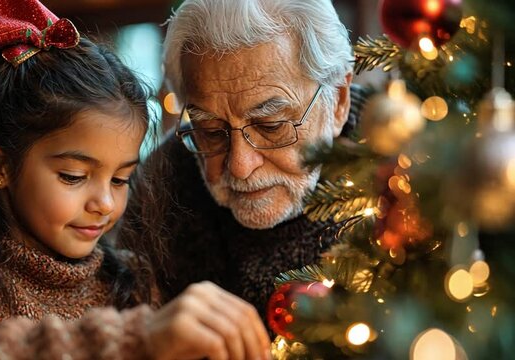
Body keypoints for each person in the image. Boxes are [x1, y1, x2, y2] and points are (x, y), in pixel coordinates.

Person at [0, 0, 271, 359]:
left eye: (121, 180)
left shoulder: (127, 280)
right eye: (74, 176)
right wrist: (132, 341)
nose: (105, 203)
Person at [118, 0, 368, 323]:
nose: (239, 165)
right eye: (210, 131)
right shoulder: (159, 186)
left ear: (339, 101)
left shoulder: (414, 171)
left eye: (271, 126)